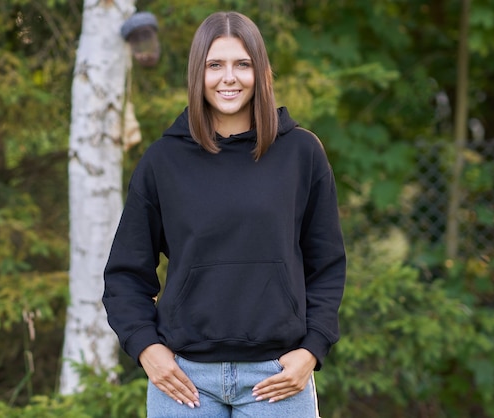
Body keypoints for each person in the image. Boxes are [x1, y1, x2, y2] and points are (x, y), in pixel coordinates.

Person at [103, 11, 346, 418]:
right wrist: (147, 348)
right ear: (198, 73)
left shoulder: (301, 154)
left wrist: (311, 349)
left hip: (277, 379)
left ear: (261, 72)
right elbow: (126, 273)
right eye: (215, 65)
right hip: (184, 381)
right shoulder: (164, 160)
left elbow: (327, 265)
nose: (228, 78)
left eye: (242, 64)